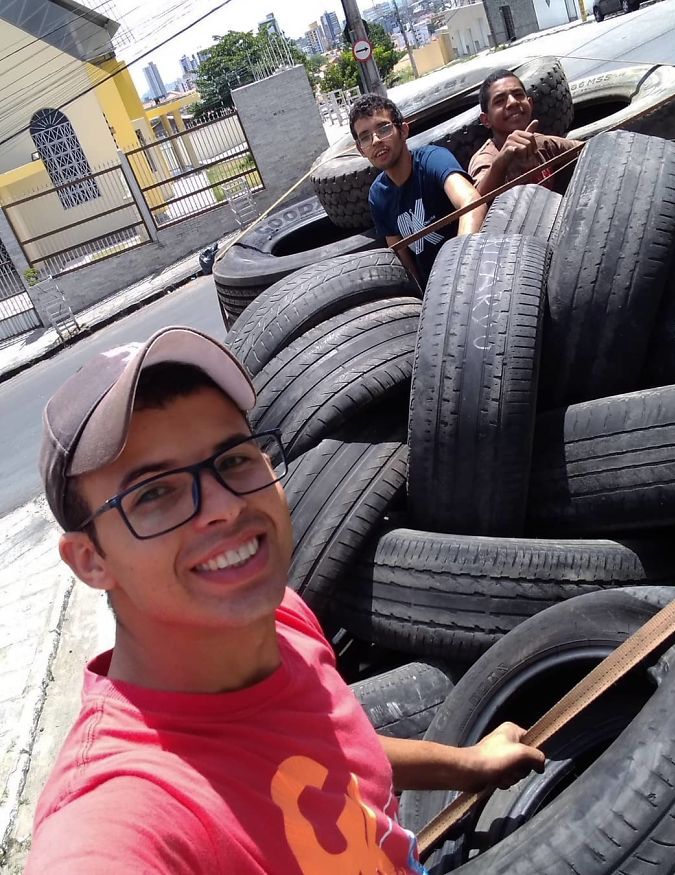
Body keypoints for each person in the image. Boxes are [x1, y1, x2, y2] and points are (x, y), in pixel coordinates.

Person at [27, 326, 544, 873]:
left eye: (233, 459)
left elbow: (330, 747)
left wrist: (469, 765)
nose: (225, 507)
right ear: (91, 560)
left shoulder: (283, 619)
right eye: (154, 492)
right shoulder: (120, 807)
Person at [350, 93, 487, 289]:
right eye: (365, 137)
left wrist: (459, 270)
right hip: (434, 292)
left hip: (474, 272)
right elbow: (404, 260)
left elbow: (472, 203)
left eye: (384, 128)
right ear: (361, 150)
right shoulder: (377, 195)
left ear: (403, 131)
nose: (375, 140)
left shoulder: (433, 159)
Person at [468, 69, 582, 196]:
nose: (513, 102)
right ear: (486, 120)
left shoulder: (541, 143)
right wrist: (501, 162)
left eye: (518, 95)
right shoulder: (486, 158)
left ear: (530, 104)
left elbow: (585, 148)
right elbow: (478, 200)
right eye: (499, 101)